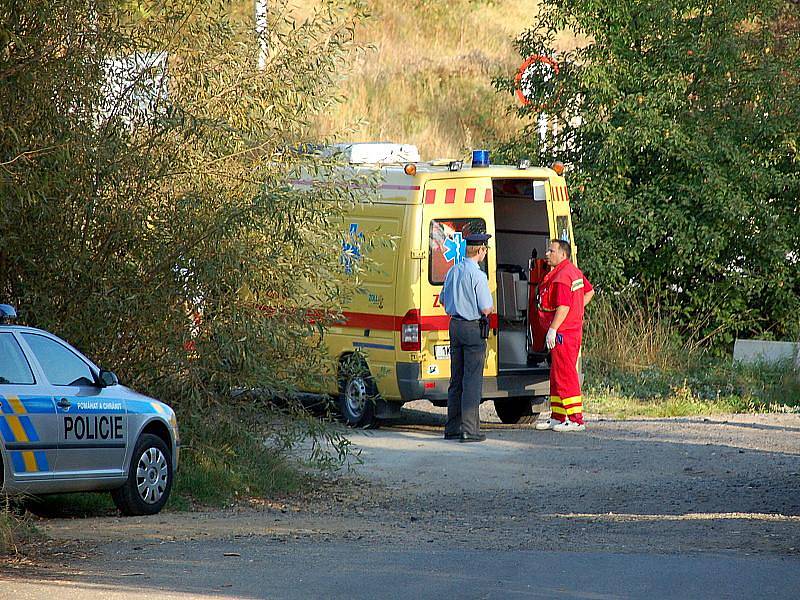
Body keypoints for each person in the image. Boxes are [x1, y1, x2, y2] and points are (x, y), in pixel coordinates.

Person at [534, 239, 594, 432]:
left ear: (563, 255)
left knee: (566, 374)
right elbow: (590, 292)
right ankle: (558, 416)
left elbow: (563, 306)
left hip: (563, 333)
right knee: (557, 374)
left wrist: (553, 328)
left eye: (551, 251)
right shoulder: (572, 271)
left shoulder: (561, 277)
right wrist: (576, 311)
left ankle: (576, 419)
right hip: (569, 330)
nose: (547, 254)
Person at [439, 233, 494, 442]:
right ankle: (470, 430)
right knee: (472, 379)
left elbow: (443, 299)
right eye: (485, 250)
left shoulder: (453, 270)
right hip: (472, 327)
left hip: (454, 325)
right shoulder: (478, 276)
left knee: (457, 378)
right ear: (480, 251)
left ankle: (452, 428)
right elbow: (486, 308)